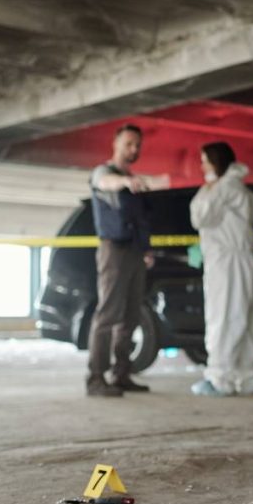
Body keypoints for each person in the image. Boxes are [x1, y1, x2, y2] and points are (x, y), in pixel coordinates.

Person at [86, 124, 158, 397]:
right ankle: (95, 378)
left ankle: (122, 374)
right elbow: (105, 183)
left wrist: (146, 249)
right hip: (113, 250)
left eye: (137, 145)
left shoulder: (133, 178)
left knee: (130, 315)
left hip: (135, 251)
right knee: (108, 314)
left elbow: (138, 220)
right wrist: (126, 182)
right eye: (129, 144)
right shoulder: (104, 173)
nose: (134, 149)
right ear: (115, 144)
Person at [188, 142, 253, 397]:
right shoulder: (238, 186)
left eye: (205, 160)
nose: (202, 166)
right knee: (244, 318)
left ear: (215, 162)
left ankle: (220, 378)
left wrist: (207, 188)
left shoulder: (223, 187)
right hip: (239, 258)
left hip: (226, 261)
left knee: (224, 317)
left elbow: (199, 217)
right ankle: (246, 377)